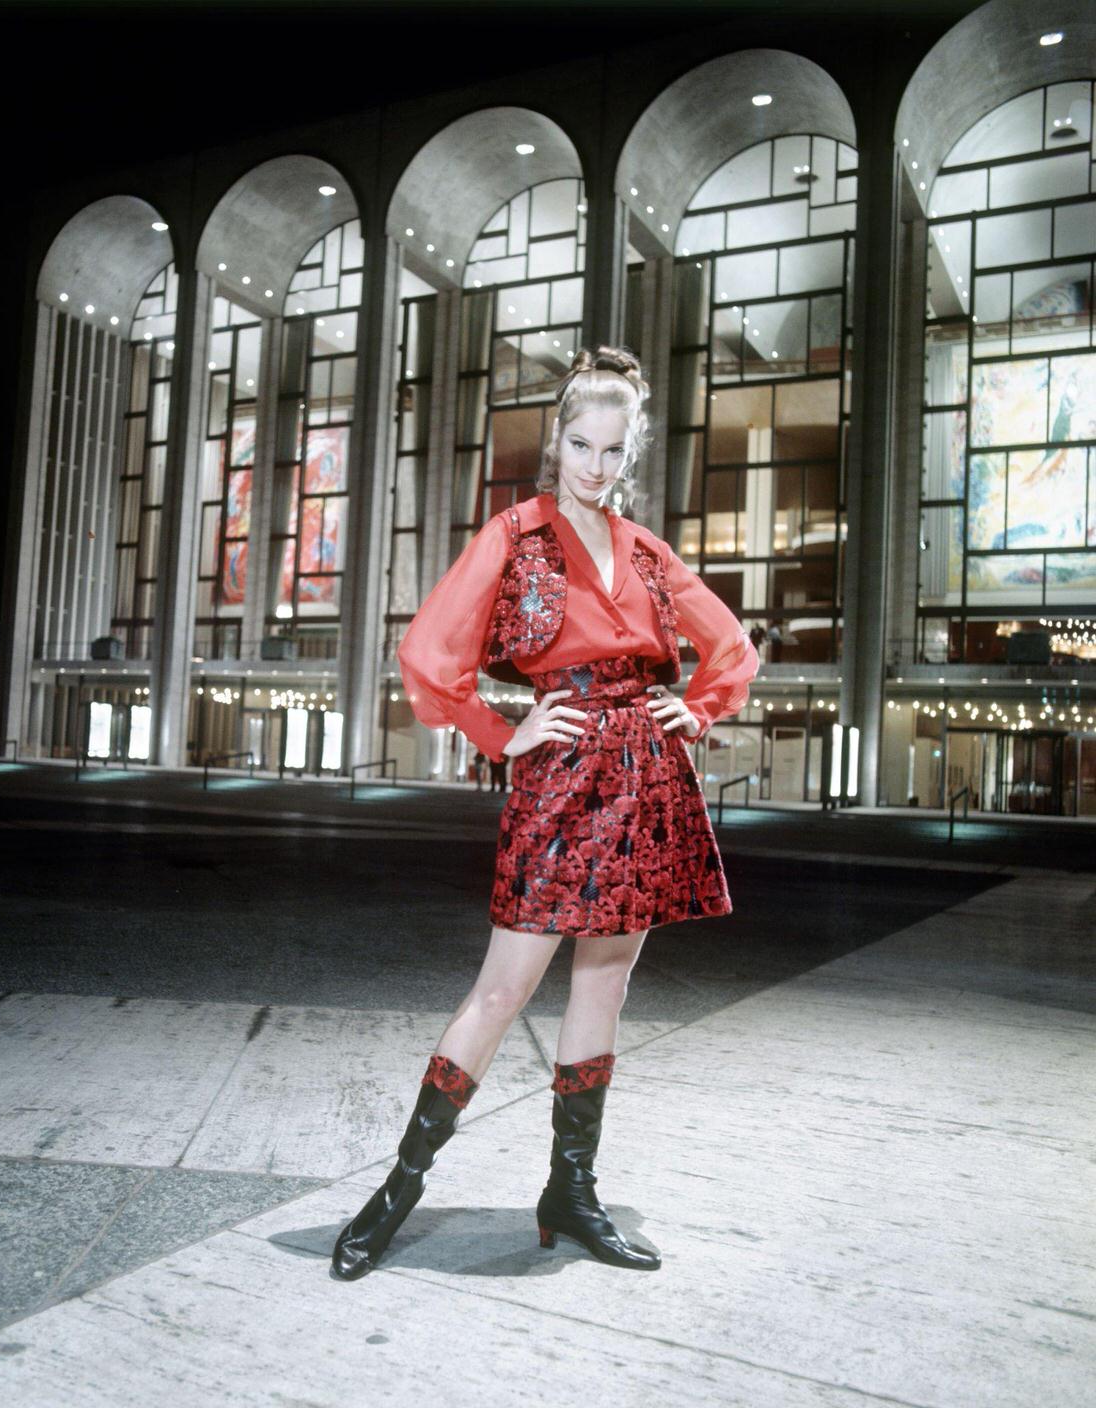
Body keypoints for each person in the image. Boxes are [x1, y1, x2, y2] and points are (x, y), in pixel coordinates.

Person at [330, 345, 759, 1282]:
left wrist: (702, 707)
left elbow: (731, 646)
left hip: (647, 778)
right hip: (561, 781)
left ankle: (571, 1189)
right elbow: (427, 654)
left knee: (604, 986)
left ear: (629, 453)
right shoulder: (513, 533)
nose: (594, 465)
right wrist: (499, 731)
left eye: (612, 451)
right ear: (555, 441)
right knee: (502, 990)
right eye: (579, 444)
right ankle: (398, 1187)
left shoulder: (647, 550)